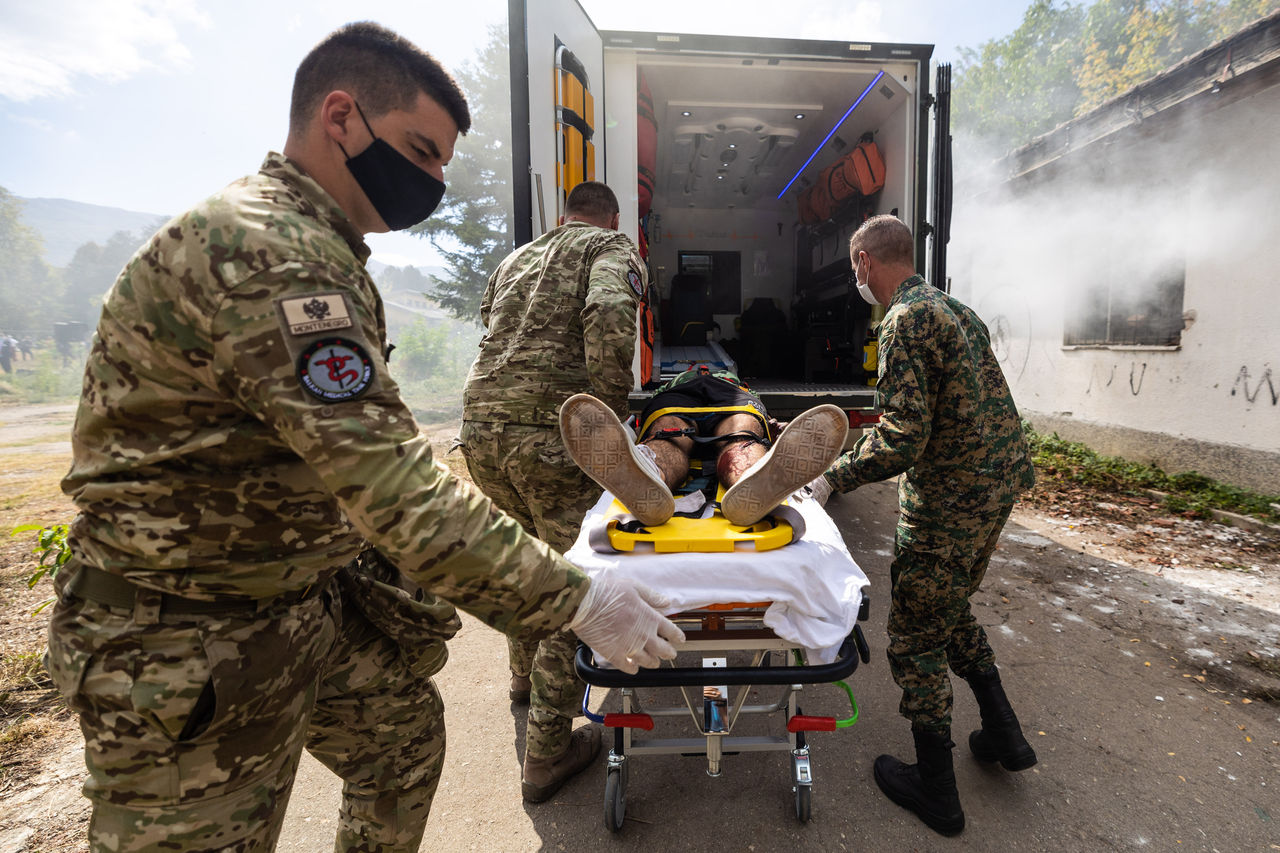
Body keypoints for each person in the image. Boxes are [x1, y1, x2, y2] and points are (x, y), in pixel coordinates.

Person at [45, 22, 682, 853]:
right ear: (339, 116)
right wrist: (582, 591)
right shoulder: (274, 253)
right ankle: (550, 730)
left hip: (292, 597)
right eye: (422, 151)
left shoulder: (348, 253)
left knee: (401, 741)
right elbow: (392, 486)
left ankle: (531, 687)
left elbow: (365, 432)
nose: (434, 181)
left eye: (444, 162)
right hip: (184, 633)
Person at [814, 215, 1038, 836]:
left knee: (915, 634)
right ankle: (1003, 733)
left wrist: (833, 476)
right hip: (996, 485)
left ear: (863, 262)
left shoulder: (903, 321)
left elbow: (905, 438)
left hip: (950, 499)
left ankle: (936, 790)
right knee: (948, 606)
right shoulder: (957, 311)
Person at [458, 180, 645, 802]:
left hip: (482, 430)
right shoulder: (609, 247)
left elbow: (492, 323)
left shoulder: (520, 255)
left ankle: (521, 679)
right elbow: (612, 314)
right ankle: (548, 751)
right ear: (611, 215)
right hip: (549, 437)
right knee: (574, 587)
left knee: (525, 561)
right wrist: (609, 414)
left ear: (564, 213)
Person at [559, 365, 848, 527]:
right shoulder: (739, 382)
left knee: (669, 433)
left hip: (678, 397)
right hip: (732, 398)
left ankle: (652, 471)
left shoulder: (673, 384)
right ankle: (750, 476)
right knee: (741, 436)